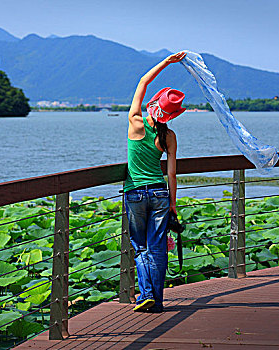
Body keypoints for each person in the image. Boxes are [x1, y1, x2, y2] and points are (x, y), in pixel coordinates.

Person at [124, 51, 187, 313]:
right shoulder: (169, 136)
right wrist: (172, 203)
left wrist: (165, 63)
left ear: (154, 105)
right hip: (161, 193)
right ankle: (157, 302)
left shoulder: (135, 123)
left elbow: (142, 82)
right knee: (158, 247)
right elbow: (171, 173)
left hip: (136, 192)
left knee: (140, 247)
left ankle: (146, 295)